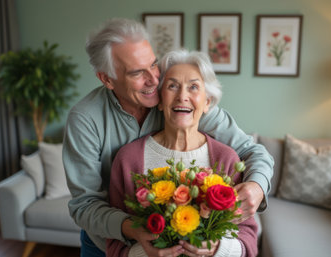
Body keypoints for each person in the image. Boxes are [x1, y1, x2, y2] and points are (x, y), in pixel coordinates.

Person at [62, 18, 273, 257]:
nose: (153, 80)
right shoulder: (85, 119)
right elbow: (85, 205)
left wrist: (257, 187)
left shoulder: (181, 102)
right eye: (137, 73)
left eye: (153, 65)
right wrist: (137, 233)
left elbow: (254, 152)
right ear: (107, 79)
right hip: (108, 241)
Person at [107, 49, 258, 257]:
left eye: (193, 87)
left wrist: (218, 249)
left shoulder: (227, 159)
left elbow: (247, 237)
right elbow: (114, 243)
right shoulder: (128, 159)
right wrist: (145, 254)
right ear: (160, 101)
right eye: (172, 86)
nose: (182, 96)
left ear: (207, 102)